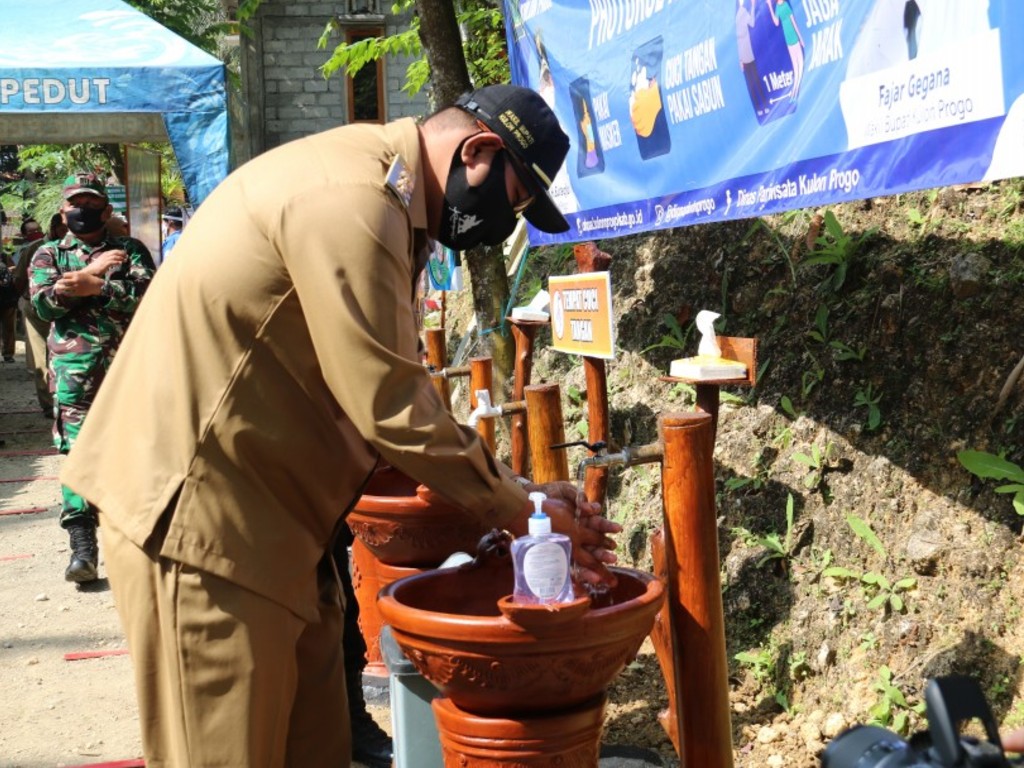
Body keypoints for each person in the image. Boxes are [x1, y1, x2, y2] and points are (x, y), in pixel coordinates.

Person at [60, 83, 619, 768]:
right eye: (519, 197)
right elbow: (388, 402)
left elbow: (372, 390)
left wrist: (513, 493)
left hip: (277, 526)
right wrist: (520, 505)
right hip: (201, 523)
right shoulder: (349, 198)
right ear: (478, 150)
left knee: (316, 747)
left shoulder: (383, 199)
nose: (510, 218)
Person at [30, 172, 155, 584]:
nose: (82, 211)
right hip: (74, 373)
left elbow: (147, 296)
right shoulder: (48, 255)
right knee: (78, 456)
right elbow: (45, 306)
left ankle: (137, 546)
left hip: (128, 369)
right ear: (64, 213)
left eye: (90, 204)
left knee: (135, 453)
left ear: (106, 209)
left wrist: (95, 286)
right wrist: (93, 272)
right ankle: (83, 550)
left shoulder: (131, 249)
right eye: (74, 205)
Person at [13, 214, 66, 414]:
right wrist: (29, 298)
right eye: (63, 229)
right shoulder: (34, 249)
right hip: (35, 306)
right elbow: (18, 279)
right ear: (53, 228)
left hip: (63, 306)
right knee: (40, 356)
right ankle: (48, 403)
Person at [768, 0, 806, 103]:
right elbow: (776, 22)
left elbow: (793, 21)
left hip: (793, 37)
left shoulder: (784, 5)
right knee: (797, 67)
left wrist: (800, 38)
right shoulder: (779, 7)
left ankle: (795, 92)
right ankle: (794, 92)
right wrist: (769, 7)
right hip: (789, 39)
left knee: (800, 66)